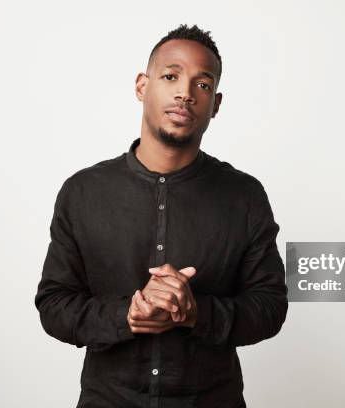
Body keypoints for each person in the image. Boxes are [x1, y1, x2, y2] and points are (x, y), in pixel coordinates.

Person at [34, 24, 288, 408]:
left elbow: (270, 307)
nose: (185, 92)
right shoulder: (83, 192)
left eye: (202, 85)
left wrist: (196, 312)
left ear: (215, 105)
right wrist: (127, 315)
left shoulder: (244, 196)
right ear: (142, 86)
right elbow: (54, 305)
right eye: (171, 76)